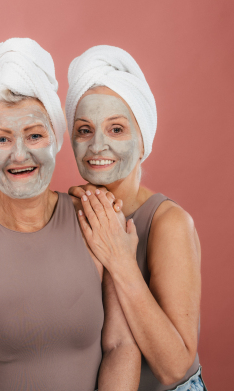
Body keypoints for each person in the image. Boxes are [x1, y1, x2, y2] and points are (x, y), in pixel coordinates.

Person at [0, 38, 141, 391]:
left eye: (34, 135)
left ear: (55, 138)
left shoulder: (95, 220)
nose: (19, 154)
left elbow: (122, 345)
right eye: (2, 139)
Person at [67, 46, 206, 391]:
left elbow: (175, 367)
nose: (97, 145)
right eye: (85, 130)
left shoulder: (169, 223)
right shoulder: (70, 211)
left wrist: (118, 257)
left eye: (116, 130)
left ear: (143, 142)